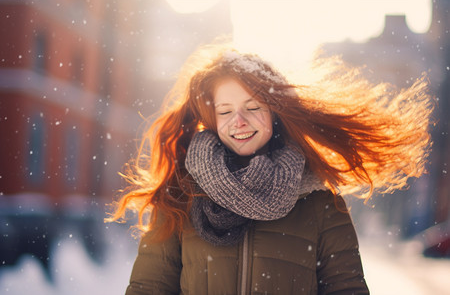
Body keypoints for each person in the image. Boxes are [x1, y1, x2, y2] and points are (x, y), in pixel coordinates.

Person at [107, 44, 433, 294]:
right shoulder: (181, 194)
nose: (239, 121)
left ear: (275, 112)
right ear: (212, 119)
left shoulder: (319, 201)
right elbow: (148, 289)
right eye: (225, 111)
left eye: (253, 108)